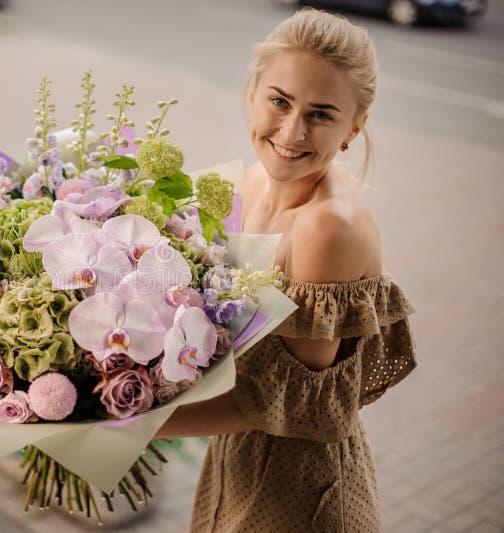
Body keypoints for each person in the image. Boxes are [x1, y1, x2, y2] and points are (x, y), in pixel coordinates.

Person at [156, 9, 417, 532]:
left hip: (300, 489)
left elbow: (298, 408)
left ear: (354, 126)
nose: (292, 131)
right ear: (252, 95)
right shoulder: (253, 182)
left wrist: (125, 423)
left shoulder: (328, 229)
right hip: (235, 460)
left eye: (321, 114)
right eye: (279, 101)